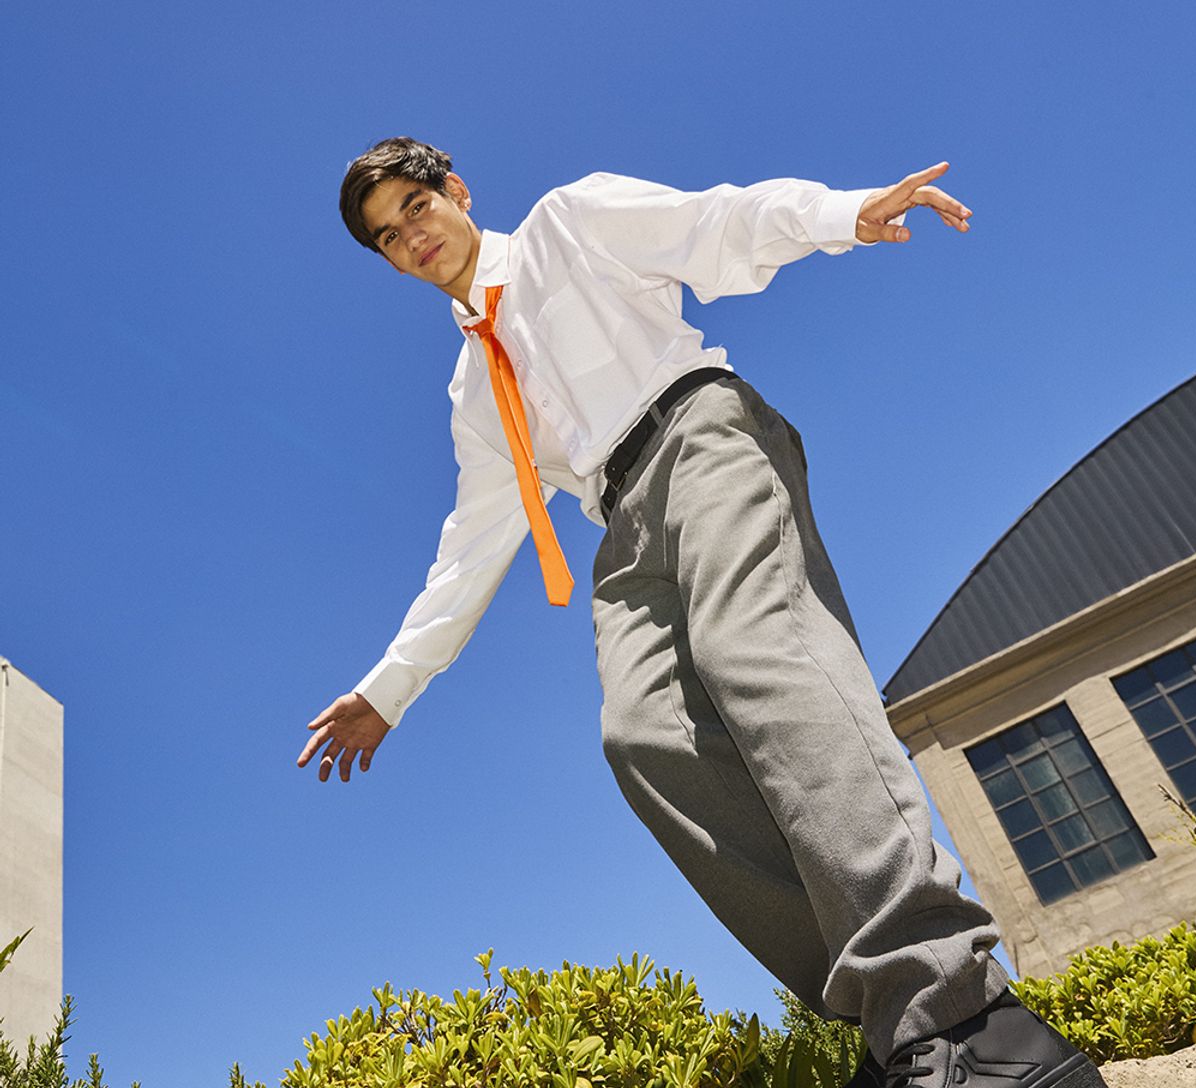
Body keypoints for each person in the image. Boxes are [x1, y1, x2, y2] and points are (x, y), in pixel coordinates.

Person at [298, 138, 1105, 1088]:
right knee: (646, 741)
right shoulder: (474, 389)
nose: (412, 239)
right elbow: (471, 548)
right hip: (620, 524)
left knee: (760, 660)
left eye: (417, 208)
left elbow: (715, 222)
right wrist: (388, 691)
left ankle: (962, 1009)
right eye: (388, 238)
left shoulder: (569, 223)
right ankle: (901, 1029)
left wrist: (844, 214)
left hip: (697, 433)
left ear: (457, 191)